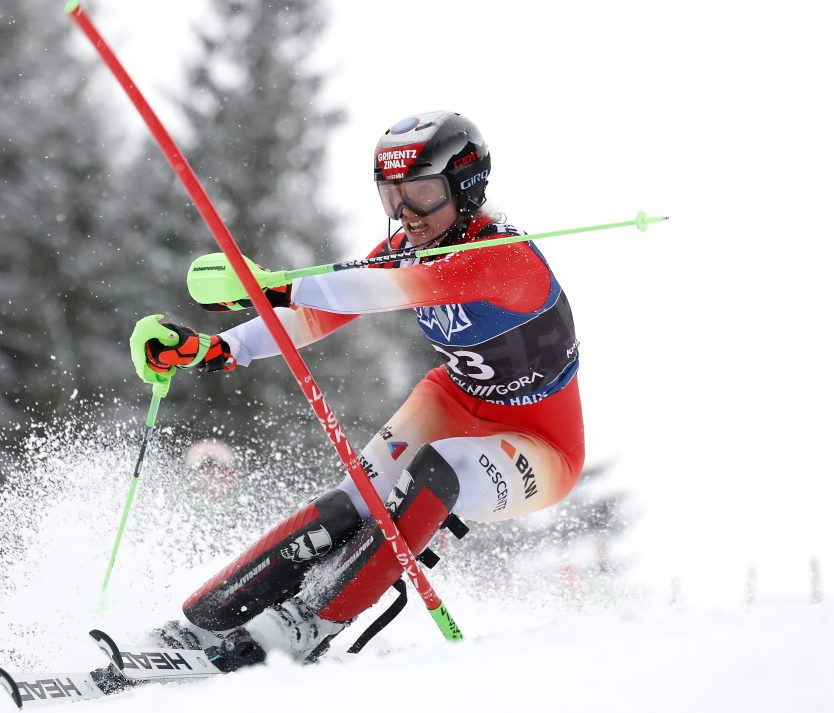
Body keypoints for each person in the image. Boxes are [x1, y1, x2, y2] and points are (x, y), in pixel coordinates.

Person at [128, 111, 585, 672]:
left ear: (465, 188)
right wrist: (221, 348)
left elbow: (376, 291)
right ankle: (205, 621)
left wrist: (271, 286)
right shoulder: (410, 245)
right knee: (355, 500)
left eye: (423, 193)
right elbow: (320, 312)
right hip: (454, 399)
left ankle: (307, 623)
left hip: (539, 442)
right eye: (392, 195)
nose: (407, 213)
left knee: (435, 473)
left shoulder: (503, 258)